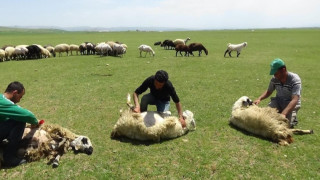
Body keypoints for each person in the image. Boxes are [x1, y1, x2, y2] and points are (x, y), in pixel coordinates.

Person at [0, 81, 39, 167]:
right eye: (20, 97)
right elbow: (27, 115)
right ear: (15, 93)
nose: (19, 100)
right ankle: (9, 159)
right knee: (19, 120)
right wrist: (35, 122)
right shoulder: (3, 103)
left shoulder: (1, 98)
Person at [254, 58, 302, 128]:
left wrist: (284, 114)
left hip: (290, 104)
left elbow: (295, 99)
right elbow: (269, 91)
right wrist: (259, 99)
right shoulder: (274, 78)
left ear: (283, 70)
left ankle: (292, 118)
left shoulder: (295, 80)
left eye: (276, 73)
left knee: (284, 125)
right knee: (265, 116)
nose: (275, 76)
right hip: (278, 101)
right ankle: (280, 112)